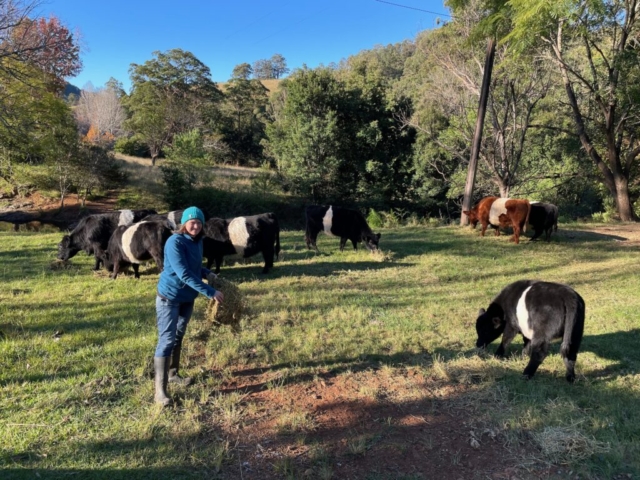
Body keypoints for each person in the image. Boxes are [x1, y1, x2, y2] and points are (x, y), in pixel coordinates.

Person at [153, 206, 223, 406]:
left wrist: (207, 272)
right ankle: (160, 391)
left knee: (178, 335)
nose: (196, 225)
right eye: (192, 222)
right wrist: (211, 291)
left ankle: (173, 374)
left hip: (187, 298)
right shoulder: (174, 242)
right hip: (170, 297)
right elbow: (183, 273)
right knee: (166, 340)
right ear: (184, 223)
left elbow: (193, 267)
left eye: (199, 222)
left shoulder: (198, 241)